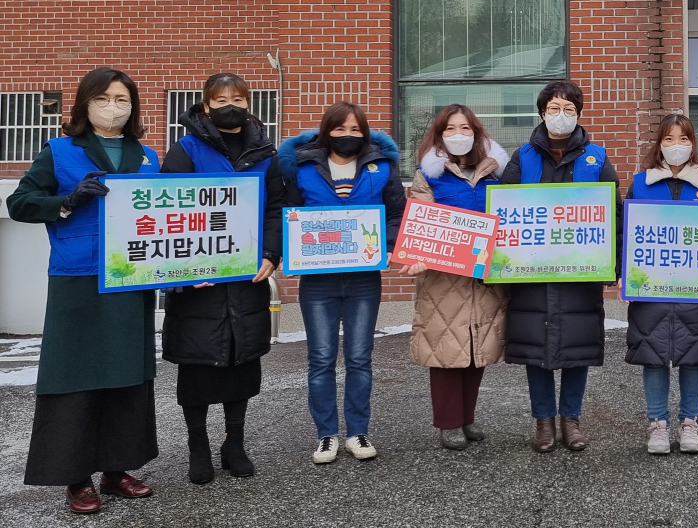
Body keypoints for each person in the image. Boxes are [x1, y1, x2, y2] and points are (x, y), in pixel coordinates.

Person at [6, 68, 160, 514]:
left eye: (123, 99)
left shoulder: (147, 155)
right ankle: (76, 478)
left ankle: (117, 470)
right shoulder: (59, 151)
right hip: (79, 279)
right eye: (105, 98)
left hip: (132, 278)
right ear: (85, 103)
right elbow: (20, 203)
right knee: (74, 376)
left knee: (127, 374)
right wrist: (69, 200)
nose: (114, 106)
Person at [160, 73, 285, 484]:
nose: (229, 104)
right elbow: (170, 212)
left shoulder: (265, 152)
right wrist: (184, 267)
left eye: (237, 97)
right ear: (205, 104)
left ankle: (234, 444)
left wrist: (271, 253)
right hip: (200, 282)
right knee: (198, 367)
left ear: (248, 103)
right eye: (220, 98)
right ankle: (198, 446)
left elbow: (275, 208)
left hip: (247, 275)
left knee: (241, 363)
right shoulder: (186, 148)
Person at [279, 102, 404, 465]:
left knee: (360, 358)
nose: (347, 136)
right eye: (339, 129)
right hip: (317, 281)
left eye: (354, 130)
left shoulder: (381, 166)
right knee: (320, 359)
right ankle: (325, 435)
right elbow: (289, 212)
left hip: (365, 279)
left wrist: (391, 245)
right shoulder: (301, 166)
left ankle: (357, 431)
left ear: (364, 133)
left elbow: (396, 212)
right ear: (325, 131)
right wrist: (286, 247)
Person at [499, 81, 621, 453]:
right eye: (554, 108)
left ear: (579, 114)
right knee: (535, 347)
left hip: (580, 271)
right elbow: (502, 211)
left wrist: (611, 263)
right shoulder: (522, 157)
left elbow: (614, 213)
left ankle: (571, 419)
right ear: (541, 112)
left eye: (569, 109)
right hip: (531, 272)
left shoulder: (596, 158)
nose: (561, 115)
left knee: (577, 344)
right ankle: (543, 422)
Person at [401, 104, 511, 450]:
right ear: (439, 135)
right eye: (450, 129)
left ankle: (467, 417)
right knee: (446, 349)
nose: (459, 134)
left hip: (485, 277)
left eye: (466, 128)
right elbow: (420, 221)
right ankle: (448, 422)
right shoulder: (427, 176)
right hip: (443, 279)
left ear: (477, 134)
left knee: (477, 348)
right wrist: (418, 255)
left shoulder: (497, 174)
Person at [625, 114, 698, 455]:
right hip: (651, 289)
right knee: (653, 355)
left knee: (694, 354)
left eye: (683, 139)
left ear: (693, 144)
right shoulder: (640, 184)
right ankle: (657, 424)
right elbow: (627, 233)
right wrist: (626, 269)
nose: (675, 146)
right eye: (668, 139)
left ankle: (689, 423)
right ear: (659, 145)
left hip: (697, 288)